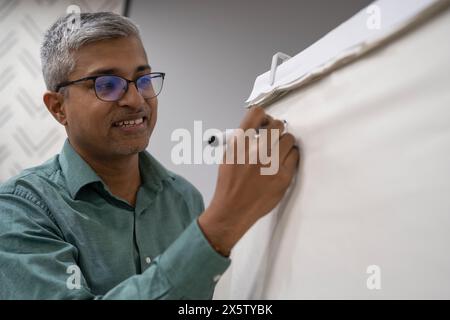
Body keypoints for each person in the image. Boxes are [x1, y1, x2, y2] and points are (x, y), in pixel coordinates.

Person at [0, 12, 299, 299]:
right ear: (58, 108)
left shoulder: (184, 198)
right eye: (107, 85)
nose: (135, 99)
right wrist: (220, 225)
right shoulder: (19, 210)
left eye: (143, 80)